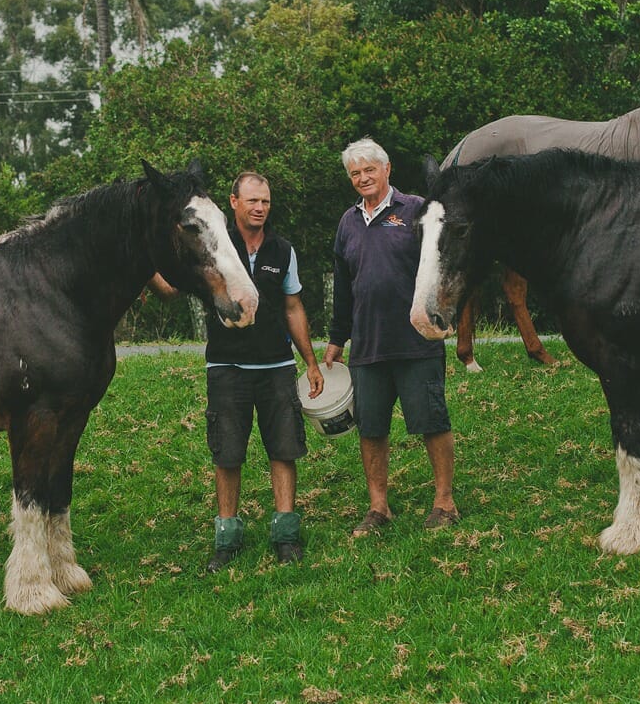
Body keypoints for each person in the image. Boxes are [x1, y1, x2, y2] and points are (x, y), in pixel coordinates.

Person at [323, 138, 459, 534]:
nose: (363, 178)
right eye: (355, 173)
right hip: (367, 346)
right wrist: (336, 337)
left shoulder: (417, 210)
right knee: (371, 429)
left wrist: (445, 314)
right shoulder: (347, 222)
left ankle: (444, 502)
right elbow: (344, 287)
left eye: (369, 170)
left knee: (432, 421)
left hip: (417, 341)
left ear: (387, 169)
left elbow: (444, 265)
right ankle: (379, 508)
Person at [193, 171, 324, 571]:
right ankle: (226, 539)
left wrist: (311, 361)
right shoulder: (214, 246)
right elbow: (172, 283)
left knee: (284, 451)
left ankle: (285, 535)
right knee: (227, 454)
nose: (259, 208)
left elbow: (293, 307)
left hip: (276, 367)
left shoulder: (283, 250)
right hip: (227, 367)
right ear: (233, 202)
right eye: (252, 201)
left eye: (265, 201)